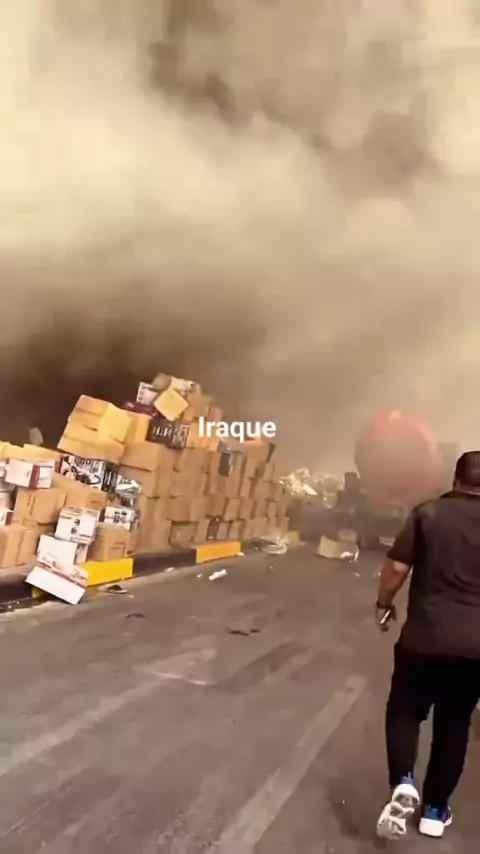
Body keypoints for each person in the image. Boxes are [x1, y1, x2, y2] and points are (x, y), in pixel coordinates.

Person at [375, 451, 480, 841]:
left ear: (456, 478)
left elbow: (396, 568)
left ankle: (403, 782)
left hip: (423, 639)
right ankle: (435, 811)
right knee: (454, 724)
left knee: (405, 711)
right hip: (474, 649)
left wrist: (383, 604)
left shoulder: (428, 513)